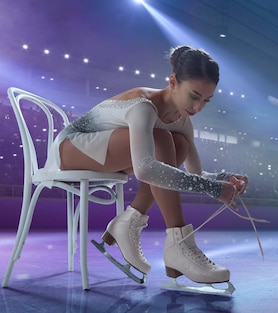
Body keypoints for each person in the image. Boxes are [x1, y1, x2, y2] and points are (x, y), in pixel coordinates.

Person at [45, 45, 247, 285]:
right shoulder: (143, 106)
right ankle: (179, 243)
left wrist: (225, 179)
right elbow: (144, 169)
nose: (198, 107)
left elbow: (197, 173)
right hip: (72, 148)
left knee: (178, 143)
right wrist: (213, 189)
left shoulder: (183, 121)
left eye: (206, 100)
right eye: (194, 96)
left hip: (111, 154)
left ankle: (130, 221)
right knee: (161, 138)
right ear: (173, 82)